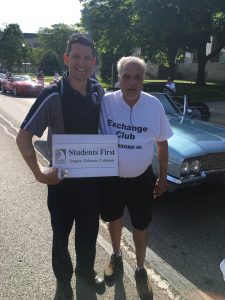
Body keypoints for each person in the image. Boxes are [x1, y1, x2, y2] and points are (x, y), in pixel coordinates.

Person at [16, 33, 105, 300]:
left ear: (94, 61)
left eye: (87, 58)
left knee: (89, 233)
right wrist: (39, 174)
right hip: (62, 183)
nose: (81, 62)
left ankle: (86, 271)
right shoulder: (52, 94)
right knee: (61, 237)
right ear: (67, 58)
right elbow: (23, 137)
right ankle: (63, 281)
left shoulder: (97, 90)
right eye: (76, 56)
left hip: (92, 182)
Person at [100, 56, 173, 299]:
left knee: (141, 225)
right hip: (112, 177)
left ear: (143, 79)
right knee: (114, 218)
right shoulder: (106, 102)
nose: (132, 82)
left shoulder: (154, 106)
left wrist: (163, 178)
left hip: (141, 178)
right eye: (126, 77)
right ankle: (116, 255)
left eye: (137, 77)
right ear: (118, 78)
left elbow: (162, 145)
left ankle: (141, 269)